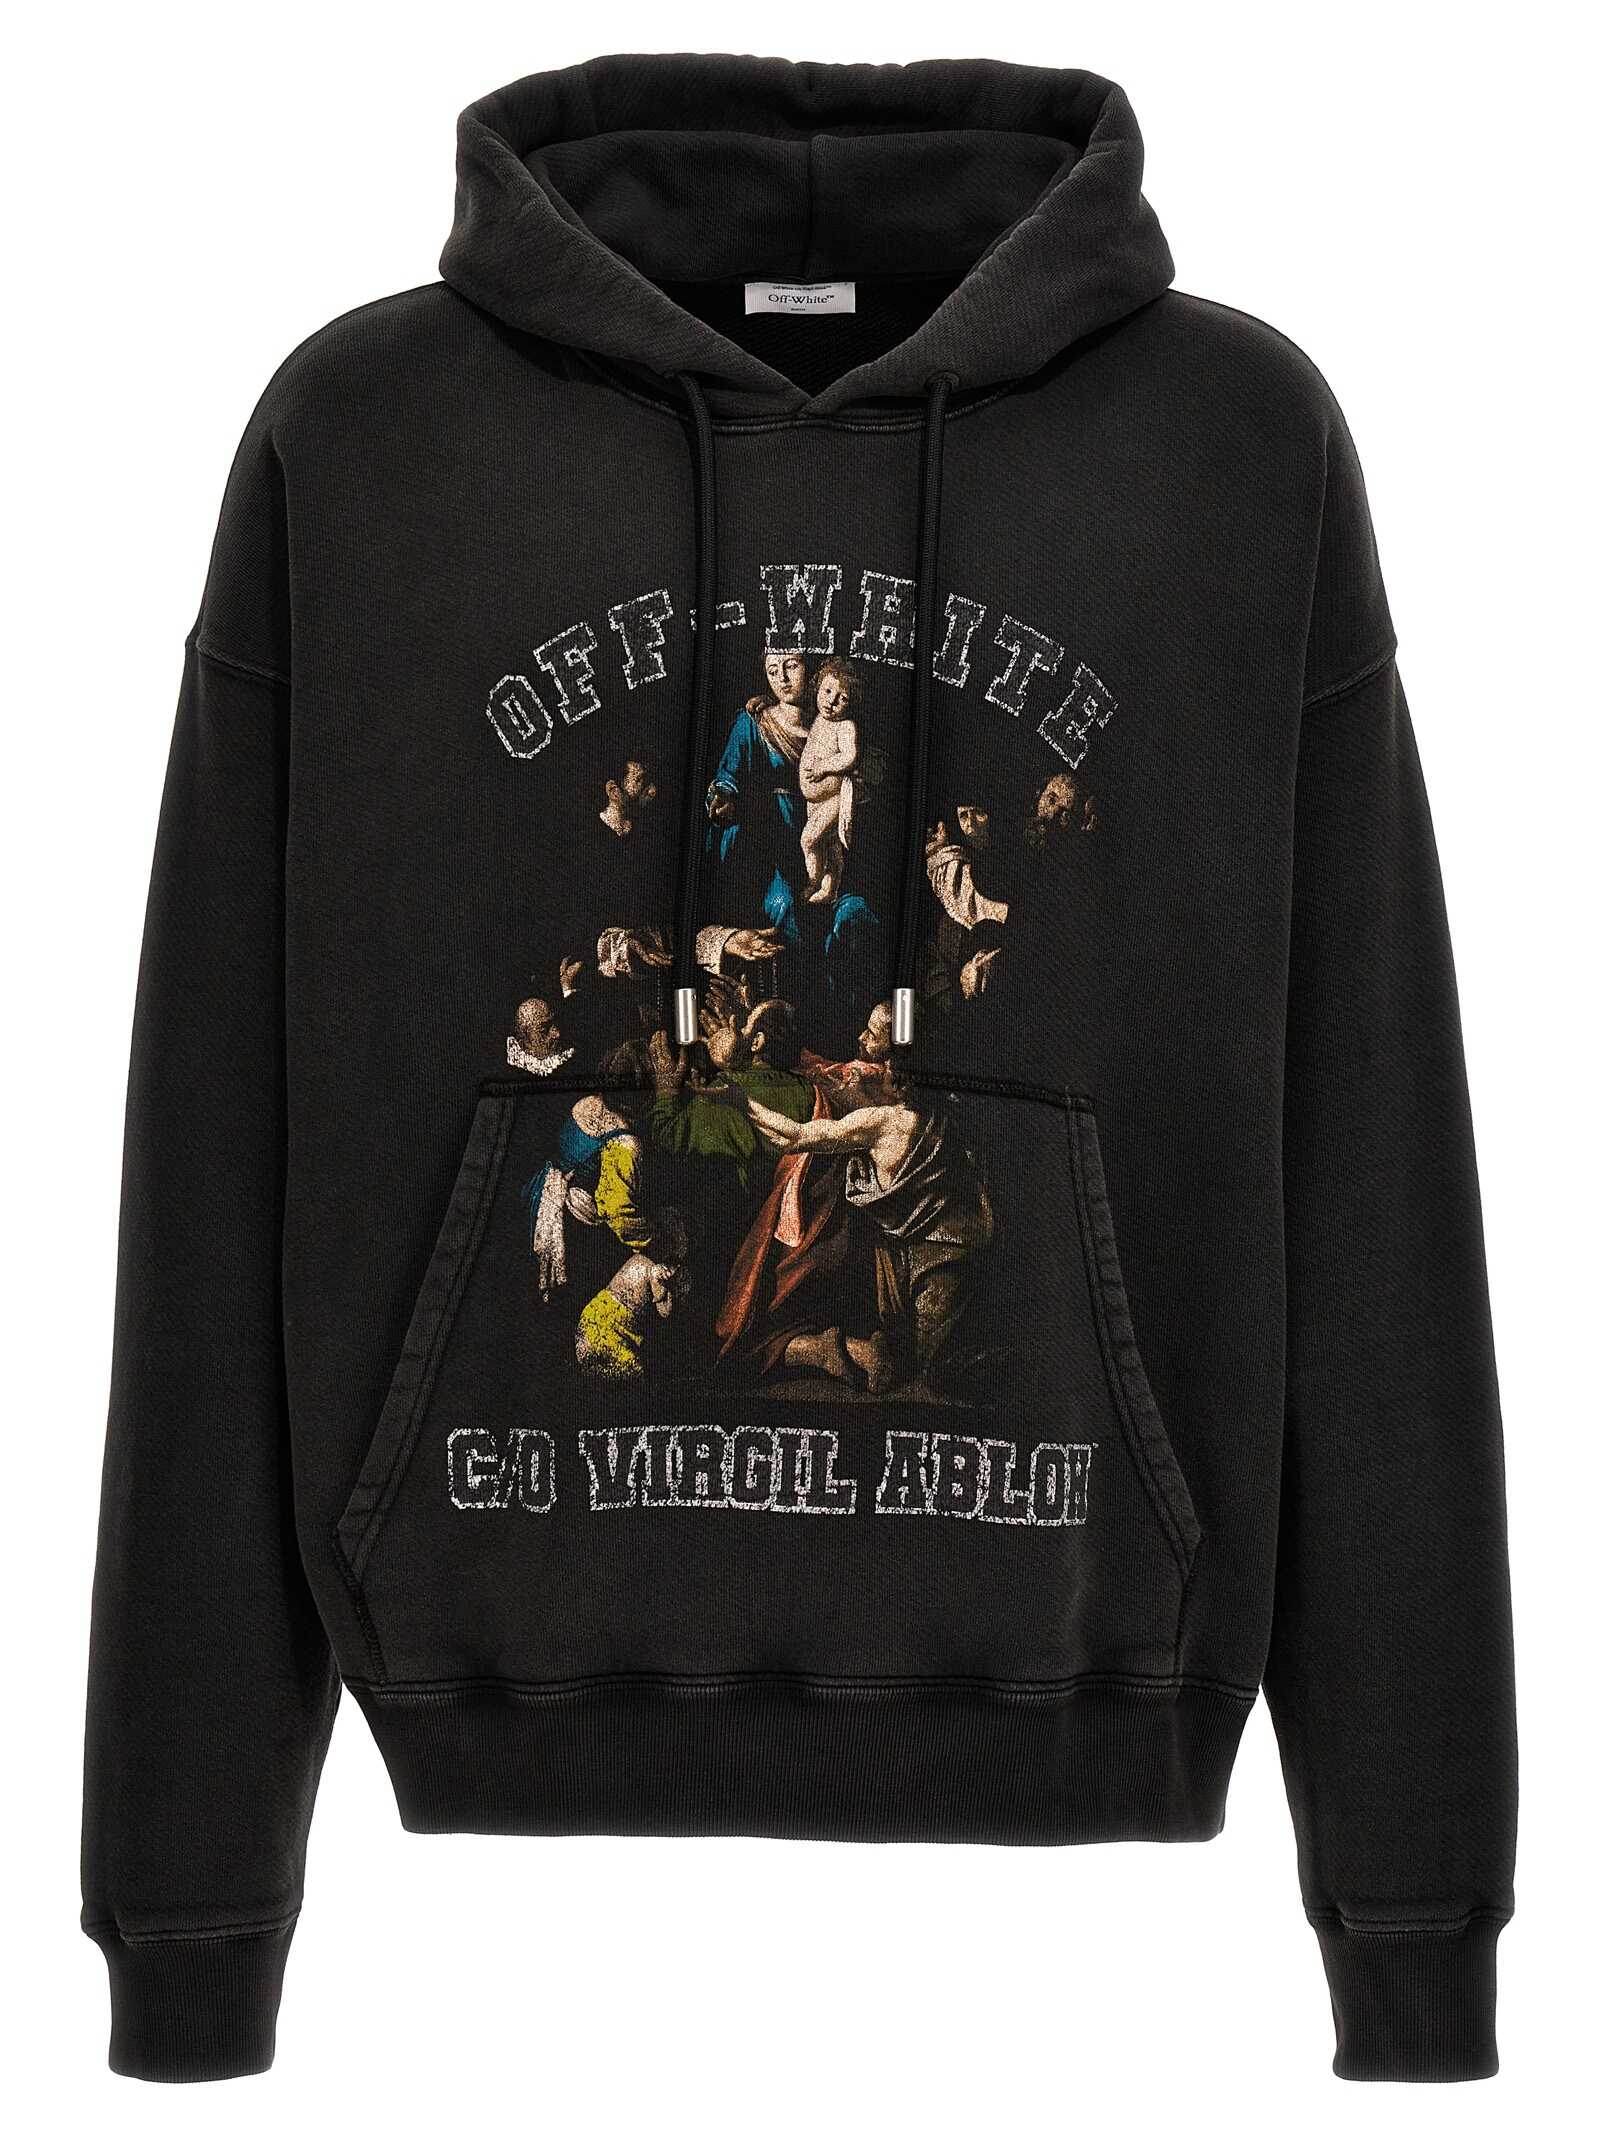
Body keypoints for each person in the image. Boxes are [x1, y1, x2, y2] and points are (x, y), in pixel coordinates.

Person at [747, 1065, 993, 1393]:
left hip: (921, 1261)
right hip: (952, 1253)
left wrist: (743, 1099)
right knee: (936, 1362)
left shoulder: (883, 1122)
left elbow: (793, 1136)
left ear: (898, 1081)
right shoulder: (949, 1118)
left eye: (887, 1067)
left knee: (937, 1371)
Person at [575, 1208, 689, 1378]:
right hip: (607, 1327)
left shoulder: (650, 1260)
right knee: (633, 1376)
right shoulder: (656, 1268)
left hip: (598, 1318)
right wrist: (669, 1286)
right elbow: (666, 1312)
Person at [798, 658, 862, 903]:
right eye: (827, 691)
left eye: (841, 698)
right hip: (814, 800)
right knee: (829, 845)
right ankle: (829, 890)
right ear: (818, 688)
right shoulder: (819, 719)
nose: (831, 701)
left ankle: (812, 882)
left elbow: (850, 756)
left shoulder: (845, 726)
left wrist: (823, 766)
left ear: (851, 703)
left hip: (834, 798)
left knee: (809, 840)